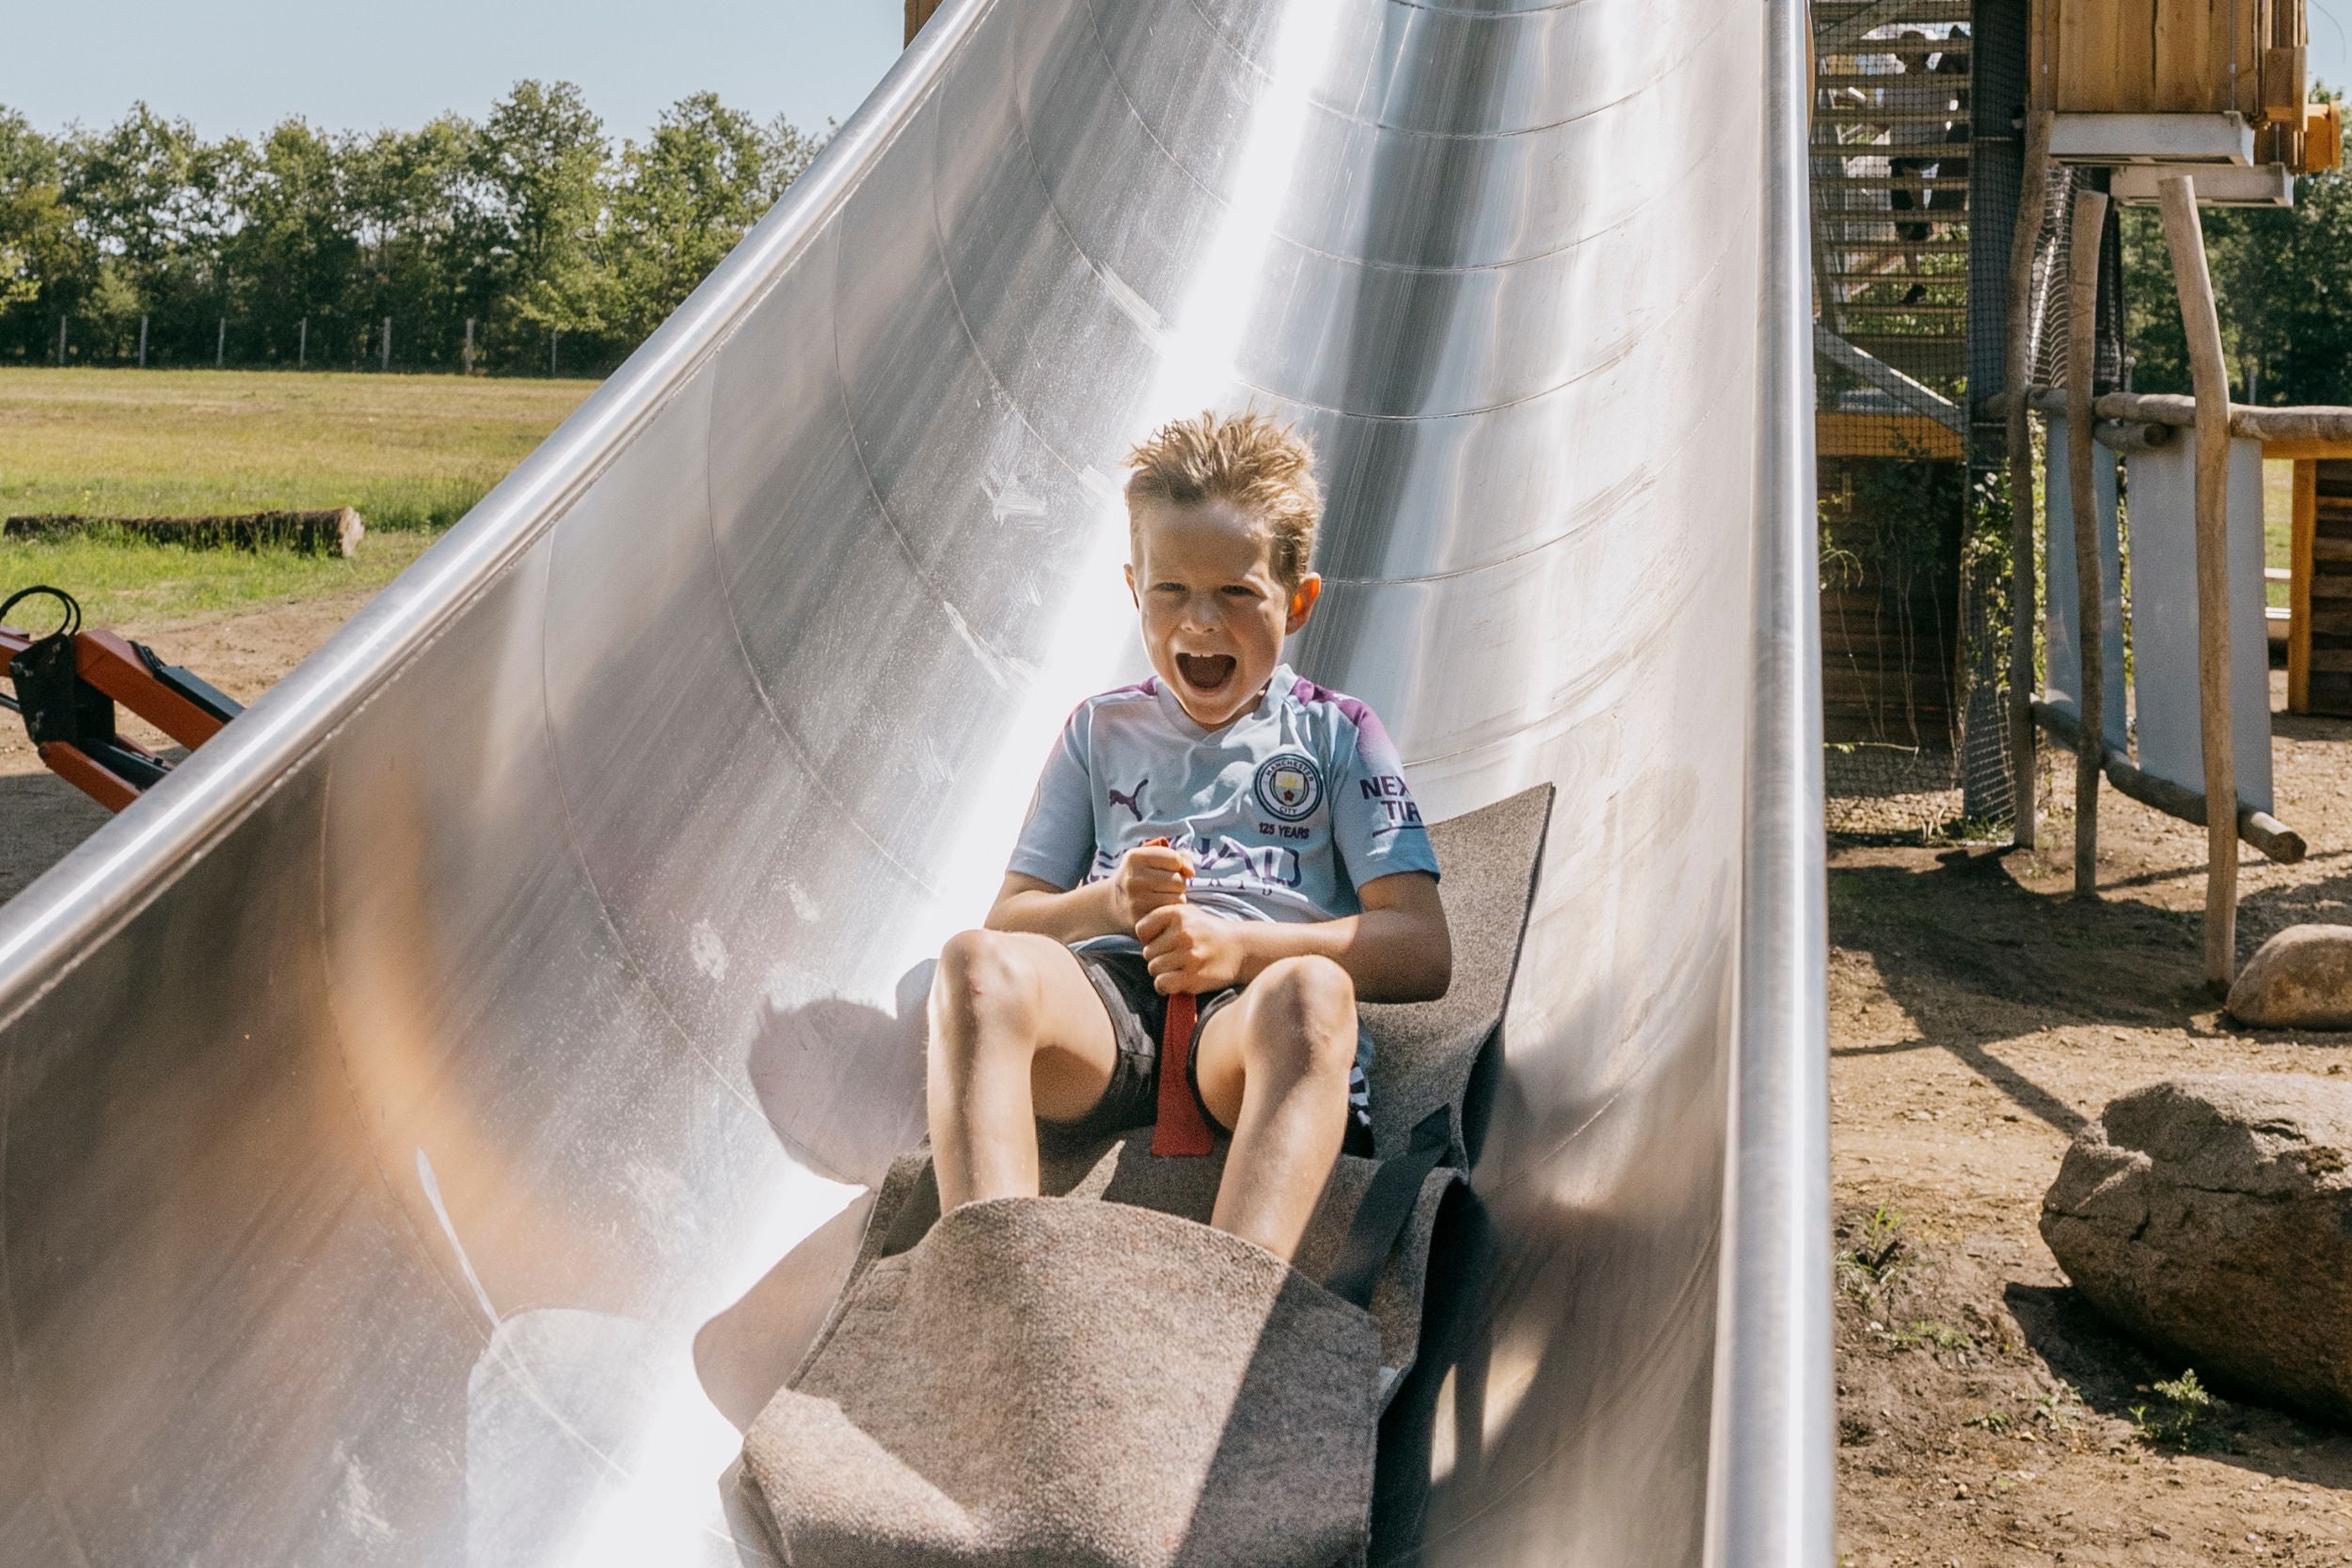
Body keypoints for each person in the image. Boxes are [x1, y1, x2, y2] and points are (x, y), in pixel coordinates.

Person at [925, 410, 1453, 1263]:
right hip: (1109, 1005)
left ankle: (1228, 1316)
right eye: (1172, 590)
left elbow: (1422, 948)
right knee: (973, 968)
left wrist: (1238, 947)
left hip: (1250, 1022)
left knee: (1313, 997)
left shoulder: (1340, 733)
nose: (1200, 623)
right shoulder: (1099, 730)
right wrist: (1109, 900)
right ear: (1135, 587)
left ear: (1299, 600)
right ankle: (992, 1286)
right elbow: (1009, 923)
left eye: (1237, 593)